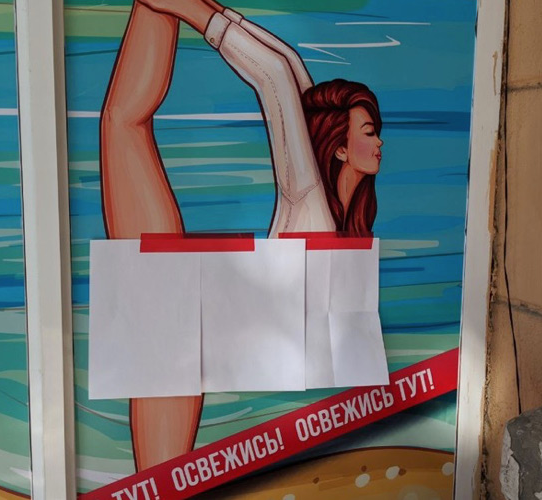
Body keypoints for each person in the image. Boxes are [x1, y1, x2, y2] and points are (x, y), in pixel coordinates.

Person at [99, 0, 383, 470]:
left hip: (192, 312)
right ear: (338, 149)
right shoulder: (313, 193)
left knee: (124, 125)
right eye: (369, 132)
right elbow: (283, 70)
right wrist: (207, 11)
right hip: (197, 308)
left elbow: (280, 76)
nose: (379, 143)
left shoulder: (317, 196)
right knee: (125, 125)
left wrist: (201, 12)